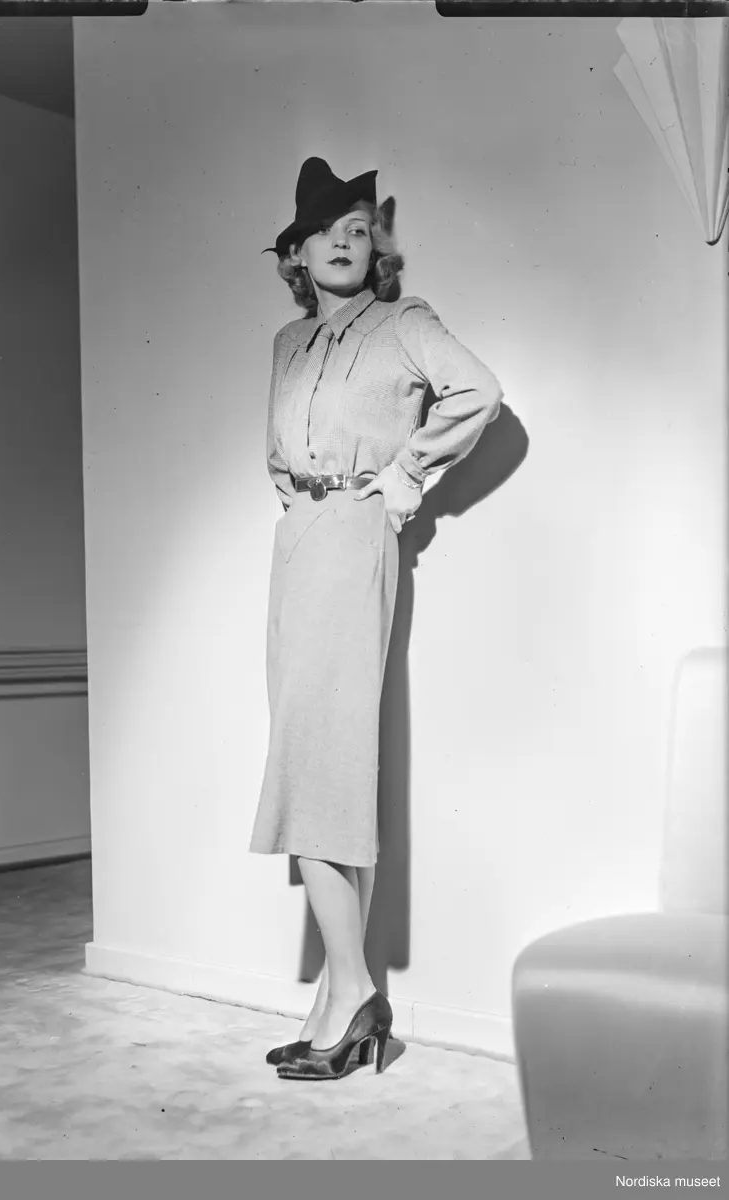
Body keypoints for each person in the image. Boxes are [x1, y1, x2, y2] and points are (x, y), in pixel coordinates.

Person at [249, 157, 503, 1081]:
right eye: (328, 230)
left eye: (359, 229)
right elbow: (278, 454)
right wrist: (301, 508)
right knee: (322, 765)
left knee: (315, 764)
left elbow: (480, 392)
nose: (346, 241)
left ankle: (356, 992)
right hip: (298, 542)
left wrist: (401, 478)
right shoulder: (287, 341)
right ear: (297, 253)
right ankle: (332, 1001)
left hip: (355, 538)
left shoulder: (404, 325)